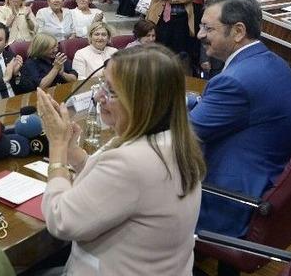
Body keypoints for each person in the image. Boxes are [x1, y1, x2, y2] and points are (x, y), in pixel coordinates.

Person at [37, 44, 205, 275]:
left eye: (111, 91)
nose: (98, 96)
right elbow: (116, 187)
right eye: (102, 85)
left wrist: (56, 146)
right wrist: (72, 152)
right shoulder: (172, 138)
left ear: (143, 101)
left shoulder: (132, 162)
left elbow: (60, 219)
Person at [190, 0, 291, 237]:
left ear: (238, 31)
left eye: (208, 27)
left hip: (225, 201)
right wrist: (190, 100)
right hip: (265, 184)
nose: (200, 34)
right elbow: (237, 110)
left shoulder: (234, 81)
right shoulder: (274, 62)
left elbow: (185, 134)